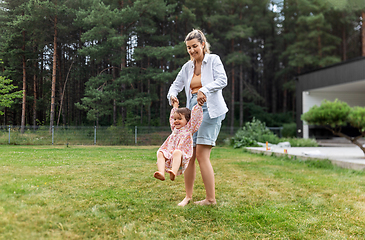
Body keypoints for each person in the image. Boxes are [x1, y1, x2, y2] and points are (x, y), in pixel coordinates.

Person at [167, 29, 228, 206]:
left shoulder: (213, 60)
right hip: (192, 112)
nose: (192, 50)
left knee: (202, 155)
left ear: (202, 44)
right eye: (188, 48)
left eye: (195, 46)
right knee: (189, 155)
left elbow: (222, 80)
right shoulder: (187, 67)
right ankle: (188, 196)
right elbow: (175, 85)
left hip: (211, 108)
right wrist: (172, 96)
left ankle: (210, 199)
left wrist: (204, 90)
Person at [154, 98, 203, 181]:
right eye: (175, 119)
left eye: (179, 119)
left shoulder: (189, 129)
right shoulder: (174, 129)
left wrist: (198, 106)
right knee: (160, 153)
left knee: (177, 152)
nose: (176, 121)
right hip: (170, 153)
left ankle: (173, 171)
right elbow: (171, 117)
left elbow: (196, 118)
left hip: (182, 155)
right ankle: (161, 173)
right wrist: (175, 106)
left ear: (187, 120)